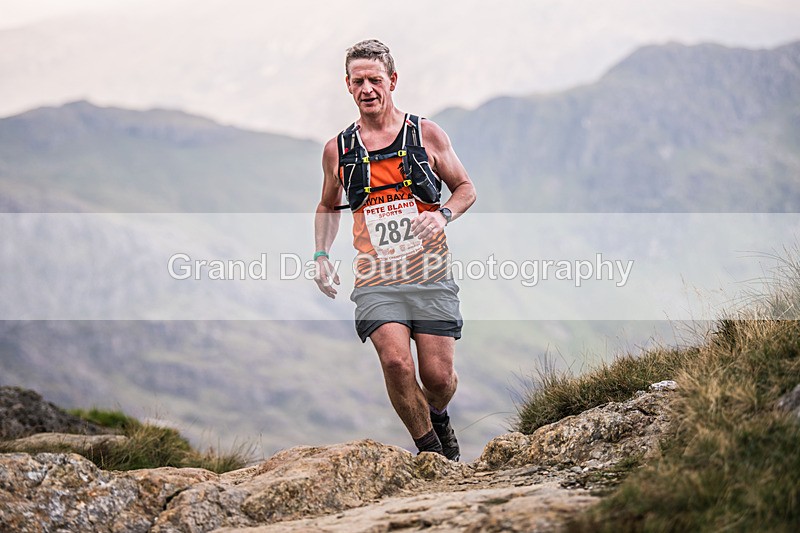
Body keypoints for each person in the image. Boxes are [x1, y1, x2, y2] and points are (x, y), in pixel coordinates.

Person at [313, 39, 476, 460]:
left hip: (430, 273)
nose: (367, 88)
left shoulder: (426, 134)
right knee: (396, 364)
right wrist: (322, 256)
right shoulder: (339, 149)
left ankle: (437, 413)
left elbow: (465, 188)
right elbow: (328, 205)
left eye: (375, 80)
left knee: (438, 378)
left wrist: (441, 215)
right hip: (376, 277)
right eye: (357, 81)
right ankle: (433, 454)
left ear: (393, 81)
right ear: (347, 87)